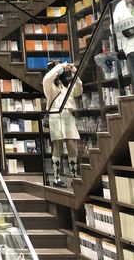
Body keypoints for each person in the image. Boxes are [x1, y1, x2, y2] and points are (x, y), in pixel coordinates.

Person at [43, 60, 83, 188]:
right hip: (56, 115)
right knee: (58, 146)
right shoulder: (49, 86)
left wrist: (75, 73)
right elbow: (48, 77)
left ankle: (74, 176)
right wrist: (60, 66)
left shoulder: (67, 85)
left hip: (68, 115)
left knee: (72, 146)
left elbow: (78, 91)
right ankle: (56, 177)